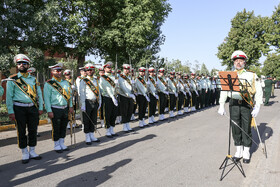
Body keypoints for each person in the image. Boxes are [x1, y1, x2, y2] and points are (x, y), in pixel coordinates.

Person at [218, 50, 263, 164]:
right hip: (233, 103)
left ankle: (246, 151)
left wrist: (257, 105)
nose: (238, 63)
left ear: (245, 63)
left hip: (246, 103)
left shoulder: (251, 75)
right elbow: (224, 90)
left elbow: (258, 91)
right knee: (235, 127)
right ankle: (239, 150)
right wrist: (221, 105)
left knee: (246, 127)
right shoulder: (228, 75)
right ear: (234, 63)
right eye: (236, 61)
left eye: (241, 60)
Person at [6, 54, 43, 163]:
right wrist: (10, 111)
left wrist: (40, 107)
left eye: (24, 63)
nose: (21, 65)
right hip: (19, 108)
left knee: (33, 130)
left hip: (32, 108)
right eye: (19, 63)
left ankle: (32, 150)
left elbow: (39, 94)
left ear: (28, 65)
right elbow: (9, 97)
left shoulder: (33, 79)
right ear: (17, 65)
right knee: (21, 131)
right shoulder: (12, 79)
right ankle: (24, 152)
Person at [44, 63, 74, 153]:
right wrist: (49, 110)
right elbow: (47, 99)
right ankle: (56, 144)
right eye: (56, 70)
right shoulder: (49, 84)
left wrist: (71, 106)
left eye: (60, 70)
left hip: (65, 108)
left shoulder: (66, 82)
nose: (58, 72)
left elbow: (69, 96)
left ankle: (62, 142)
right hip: (55, 108)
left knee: (63, 126)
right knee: (56, 127)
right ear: (52, 72)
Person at [80, 63, 101, 145]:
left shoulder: (96, 80)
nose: (89, 71)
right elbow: (82, 93)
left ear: (93, 70)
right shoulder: (84, 80)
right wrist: (83, 104)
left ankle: (92, 135)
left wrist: (100, 101)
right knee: (86, 120)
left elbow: (99, 92)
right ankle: (87, 137)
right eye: (87, 70)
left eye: (91, 70)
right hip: (87, 102)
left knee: (93, 119)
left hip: (95, 102)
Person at [99, 62, 118, 137]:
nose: (109, 69)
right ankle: (107, 130)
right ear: (104, 69)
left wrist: (117, 84)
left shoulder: (114, 77)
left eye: (110, 68)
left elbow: (116, 87)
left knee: (114, 113)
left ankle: (112, 129)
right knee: (107, 114)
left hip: (115, 97)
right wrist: (112, 96)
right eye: (108, 68)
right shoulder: (103, 77)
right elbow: (106, 87)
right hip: (107, 97)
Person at [118, 64, 135, 132]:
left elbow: (132, 87)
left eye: (128, 69)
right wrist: (128, 94)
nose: (126, 70)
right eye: (125, 69)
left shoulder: (130, 77)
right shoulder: (120, 77)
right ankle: (124, 125)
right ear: (123, 69)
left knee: (130, 110)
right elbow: (122, 87)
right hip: (124, 96)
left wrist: (133, 84)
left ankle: (128, 124)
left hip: (130, 96)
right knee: (124, 111)